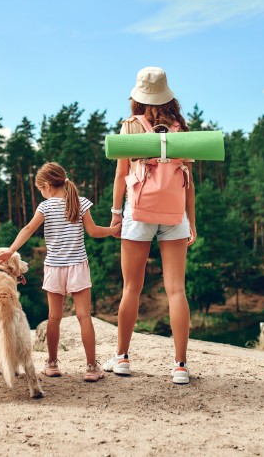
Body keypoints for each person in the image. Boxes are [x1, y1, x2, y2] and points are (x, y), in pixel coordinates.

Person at [103, 66, 196, 384]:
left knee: (131, 287)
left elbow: (120, 175)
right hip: (174, 215)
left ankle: (123, 358)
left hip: (139, 213)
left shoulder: (130, 126)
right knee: (176, 290)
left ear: (139, 96)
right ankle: (180, 365)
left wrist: (116, 213)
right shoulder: (182, 129)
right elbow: (188, 181)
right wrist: (191, 221)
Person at [0, 162, 121, 382]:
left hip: (54, 267)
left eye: (40, 190)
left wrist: (11, 251)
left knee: (54, 317)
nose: (41, 194)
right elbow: (93, 231)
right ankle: (91, 368)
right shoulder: (80, 203)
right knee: (84, 317)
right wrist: (113, 230)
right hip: (77, 266)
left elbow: (27, 229)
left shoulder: (45, 207)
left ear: (47, 186)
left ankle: (52, 365)